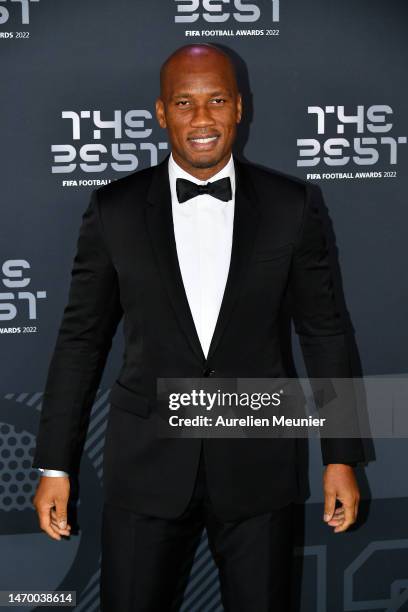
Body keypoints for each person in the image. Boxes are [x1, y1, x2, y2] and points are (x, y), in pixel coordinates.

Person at [32, 43, 364, 611]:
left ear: (239, 107)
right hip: (146, 467)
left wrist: (342, 455)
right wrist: (56, 464)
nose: (202, 118)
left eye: (216, 100)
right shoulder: (114, 209)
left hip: (258, 467)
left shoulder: (294, 205)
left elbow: (325, 333)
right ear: (161, 113)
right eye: (184, 103)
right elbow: (81, 341)